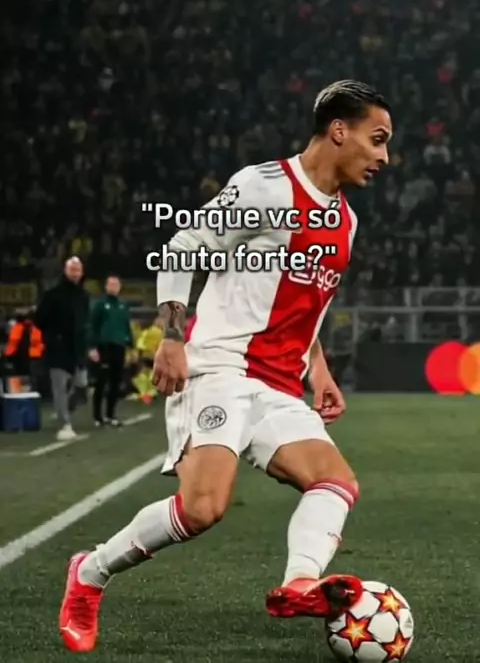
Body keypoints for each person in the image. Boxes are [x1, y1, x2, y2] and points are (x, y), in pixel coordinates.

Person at [59, 80, 392, 653]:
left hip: (279, 384)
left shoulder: (346, 222)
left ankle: (301, 584)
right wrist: (172, 335)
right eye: (377, 139)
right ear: (339, 131)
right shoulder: (265, 187)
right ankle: (89, 573)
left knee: (336, 482)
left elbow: (305, 303)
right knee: (202, 508)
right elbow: (183, 245)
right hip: (219, 368)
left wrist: (318, 369)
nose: (385, 156)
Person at [35, 256, 89, 441]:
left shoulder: (83, 295)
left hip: (78, 349)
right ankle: (64, 424)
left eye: (78, 270)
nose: (75, 273)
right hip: (58, 349)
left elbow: (84, 322)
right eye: (72, 269)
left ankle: (64, 412)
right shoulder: (52, 294)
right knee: (59, 388)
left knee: (82, 385)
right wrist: (54, 336)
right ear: (65, 271)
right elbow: (39, 318)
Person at [88, 276, 133, 427]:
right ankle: (97, 416)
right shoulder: (100, 304)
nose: (113, 287)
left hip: (119, 346)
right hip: (104, 347)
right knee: (101, 382)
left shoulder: (123, 305)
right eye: (111, 284)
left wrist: (130, 345)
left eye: (116, 284)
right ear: (106, 287)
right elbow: (92, 326)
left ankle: (111, 415)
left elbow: (126, 325)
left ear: (120, 287)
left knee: (116, 382)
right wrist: (92, 347)